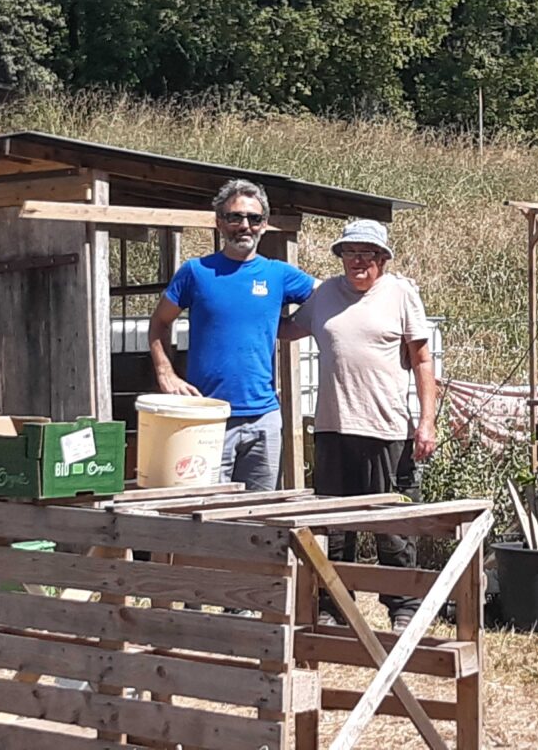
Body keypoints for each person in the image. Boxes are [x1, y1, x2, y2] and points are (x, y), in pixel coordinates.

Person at [282, 219, 437, 633]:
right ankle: (335, 604)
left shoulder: (401, 293)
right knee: (334, 522)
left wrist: (427, 423)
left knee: (394, 523)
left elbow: (423, 361)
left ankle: (402, 605)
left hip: (386, 429)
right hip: (333, 428)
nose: (358, 261)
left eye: (367, 254)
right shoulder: (325, 296)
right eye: (350, 253)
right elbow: (285, 330)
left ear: (382, 259)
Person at [148, 179, 317, 492]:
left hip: (264, 419)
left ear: (264, 225)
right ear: (219, 223)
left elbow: (329, 297)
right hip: (207, 418)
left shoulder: (278, 274)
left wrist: (291, 327)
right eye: (234, 217)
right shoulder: (196, 272)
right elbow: (159, 323)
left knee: (261, 519)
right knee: (206, 516)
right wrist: (165, 372)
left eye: (253, 219)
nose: (244, 226)